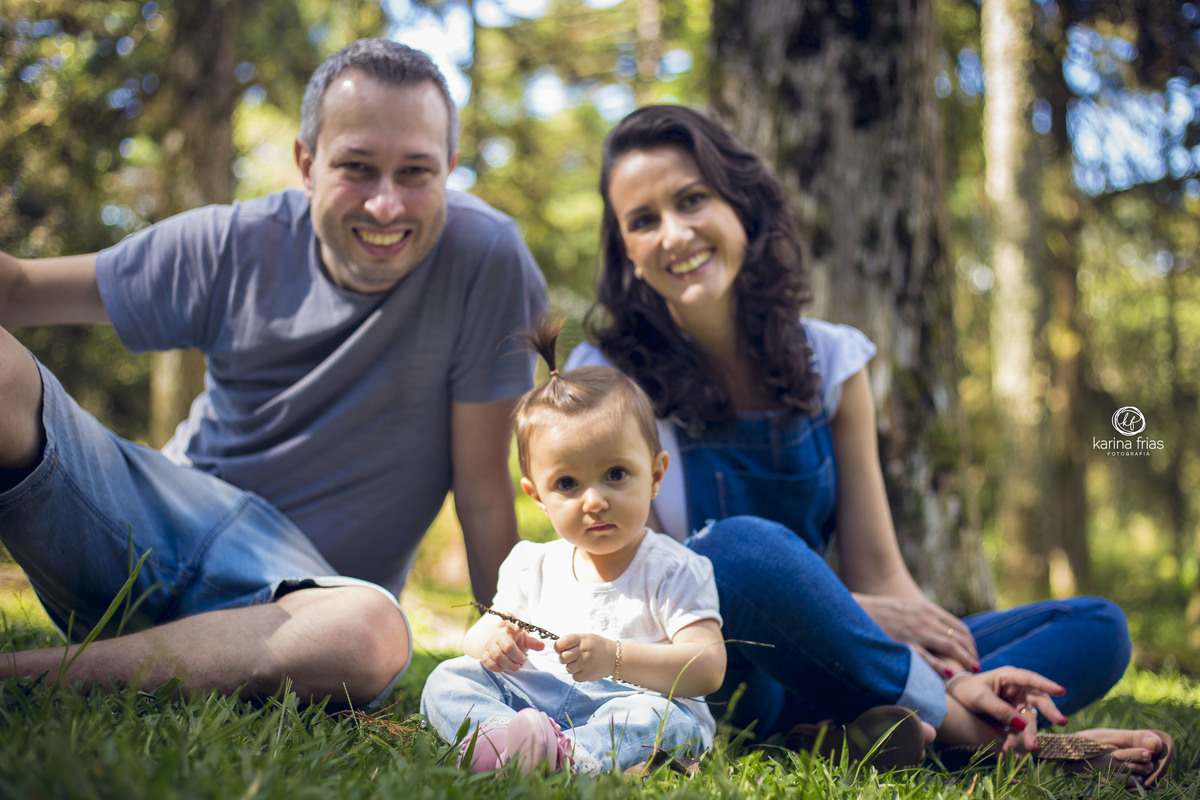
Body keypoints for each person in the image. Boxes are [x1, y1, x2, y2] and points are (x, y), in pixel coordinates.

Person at [565, 104, 1174, 788]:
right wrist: (905, 652)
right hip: (705, 667)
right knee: (734, 550)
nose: (674, 233)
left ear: (740, 205)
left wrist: (936, 653)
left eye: (692, 199)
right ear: (627, 253)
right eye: (642, 221)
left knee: (1096, 624)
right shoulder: (606, 381)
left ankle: (861, 727)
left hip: (833, 657)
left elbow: (883, 578)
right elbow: (610, 585)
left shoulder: (831, 359)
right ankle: (965, 727)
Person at [0, 39, 546, 709]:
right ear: (306, 164)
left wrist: (511, 666)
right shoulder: (235, 243)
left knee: (371, 635)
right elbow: (20, 290)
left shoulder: (486, 259)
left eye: (415, 173)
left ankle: (28, 673)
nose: (385, 205)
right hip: (152, 535)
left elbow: (484, 488)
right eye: (356, 167)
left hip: (304, 607)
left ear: (451, 170)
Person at [420, 320, 725, 774]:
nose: (595, 500)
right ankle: (502, 742)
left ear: (656, 475)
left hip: (635, 702)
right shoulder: (531, 564)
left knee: (656, 720)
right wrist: (495, 642)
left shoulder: (674, 568)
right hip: (540, 702)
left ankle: (568, 757)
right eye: (567, 483)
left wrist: (615, 658)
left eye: (616, 474)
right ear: (537, 496)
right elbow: (478, 635)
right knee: (449, 677)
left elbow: (707, 667)